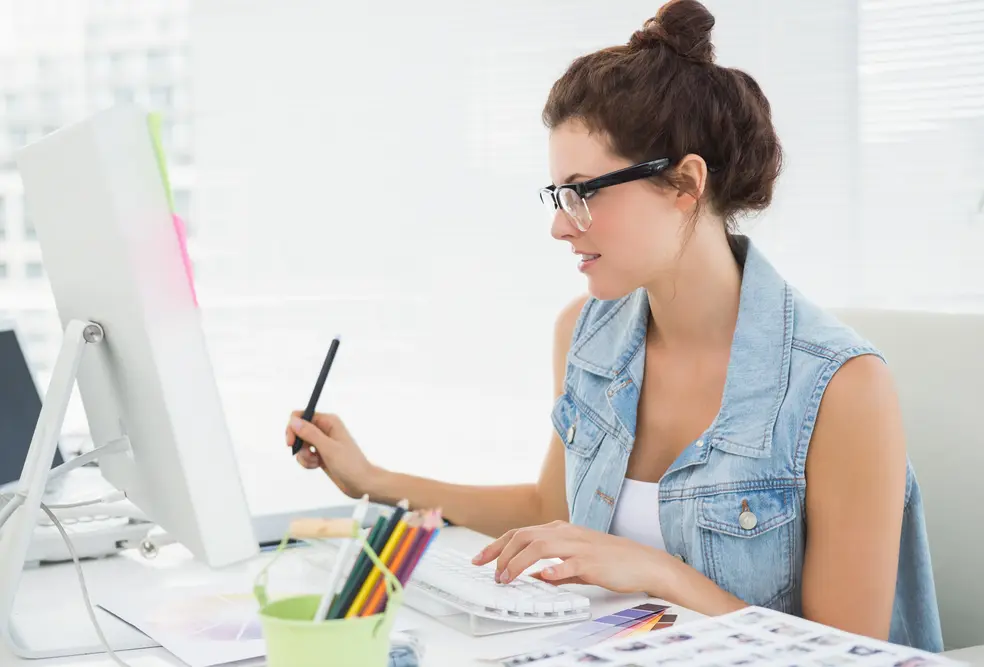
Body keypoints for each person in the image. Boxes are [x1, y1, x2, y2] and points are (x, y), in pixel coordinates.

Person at [285, 0, 943, 652]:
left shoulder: (841, 386)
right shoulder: (586, 332)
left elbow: (847, 652)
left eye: (584, 191)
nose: (559, 223)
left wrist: (655, 571)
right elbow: (554, 510)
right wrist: (372, 479)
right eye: (556, 195)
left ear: (686, 183)